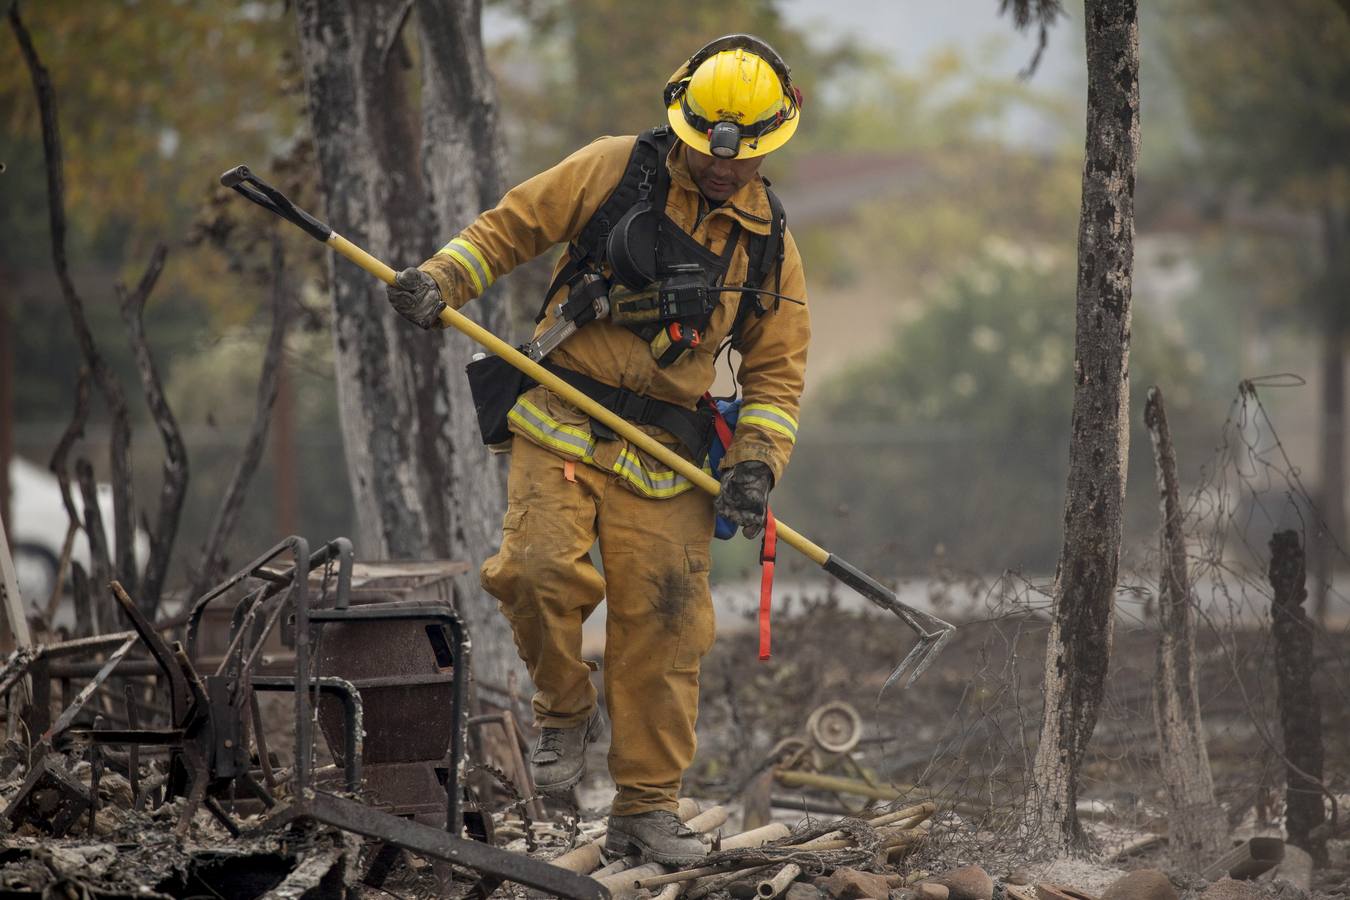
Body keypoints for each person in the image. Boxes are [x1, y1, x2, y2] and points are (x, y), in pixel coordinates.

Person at [387, 34, 810, 865]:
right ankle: (563, 709)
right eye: (703, 149)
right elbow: (511, 227)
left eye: (740, 156)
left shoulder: (769, 246)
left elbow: (777, 376)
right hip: (563, 415)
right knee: (537, 569)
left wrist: (756, 464)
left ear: (767, 146)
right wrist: (443, 277)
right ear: (681, 125)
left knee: (667, 625)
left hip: (669, 453)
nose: (720, 168)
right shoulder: (618, 169)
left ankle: (646, 811)